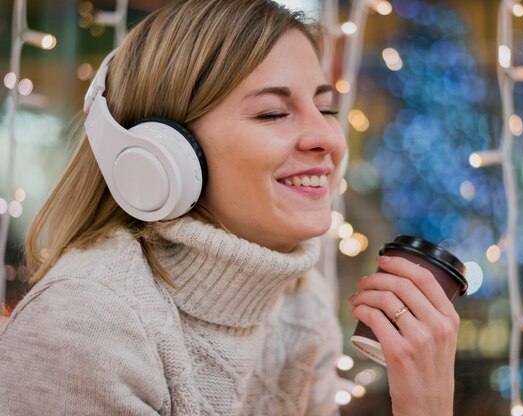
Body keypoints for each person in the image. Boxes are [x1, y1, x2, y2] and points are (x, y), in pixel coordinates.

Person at [0, 0, 460, 415]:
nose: (325, 138)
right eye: (273, 113)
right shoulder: (86, 324)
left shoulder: (300, 301)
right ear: (162, 154)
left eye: (326, 110)